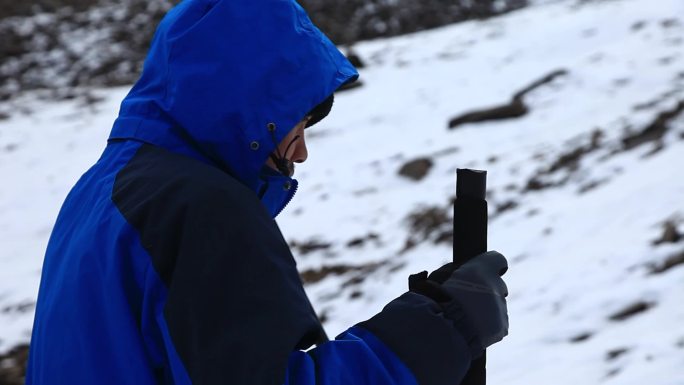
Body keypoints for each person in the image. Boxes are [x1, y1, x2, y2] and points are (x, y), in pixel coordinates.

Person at [26, 0, 509, 384]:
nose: (300, 155)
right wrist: (445, 328)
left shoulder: (104, 190)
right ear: (253, 113)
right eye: (296, 128)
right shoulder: (197, 209)